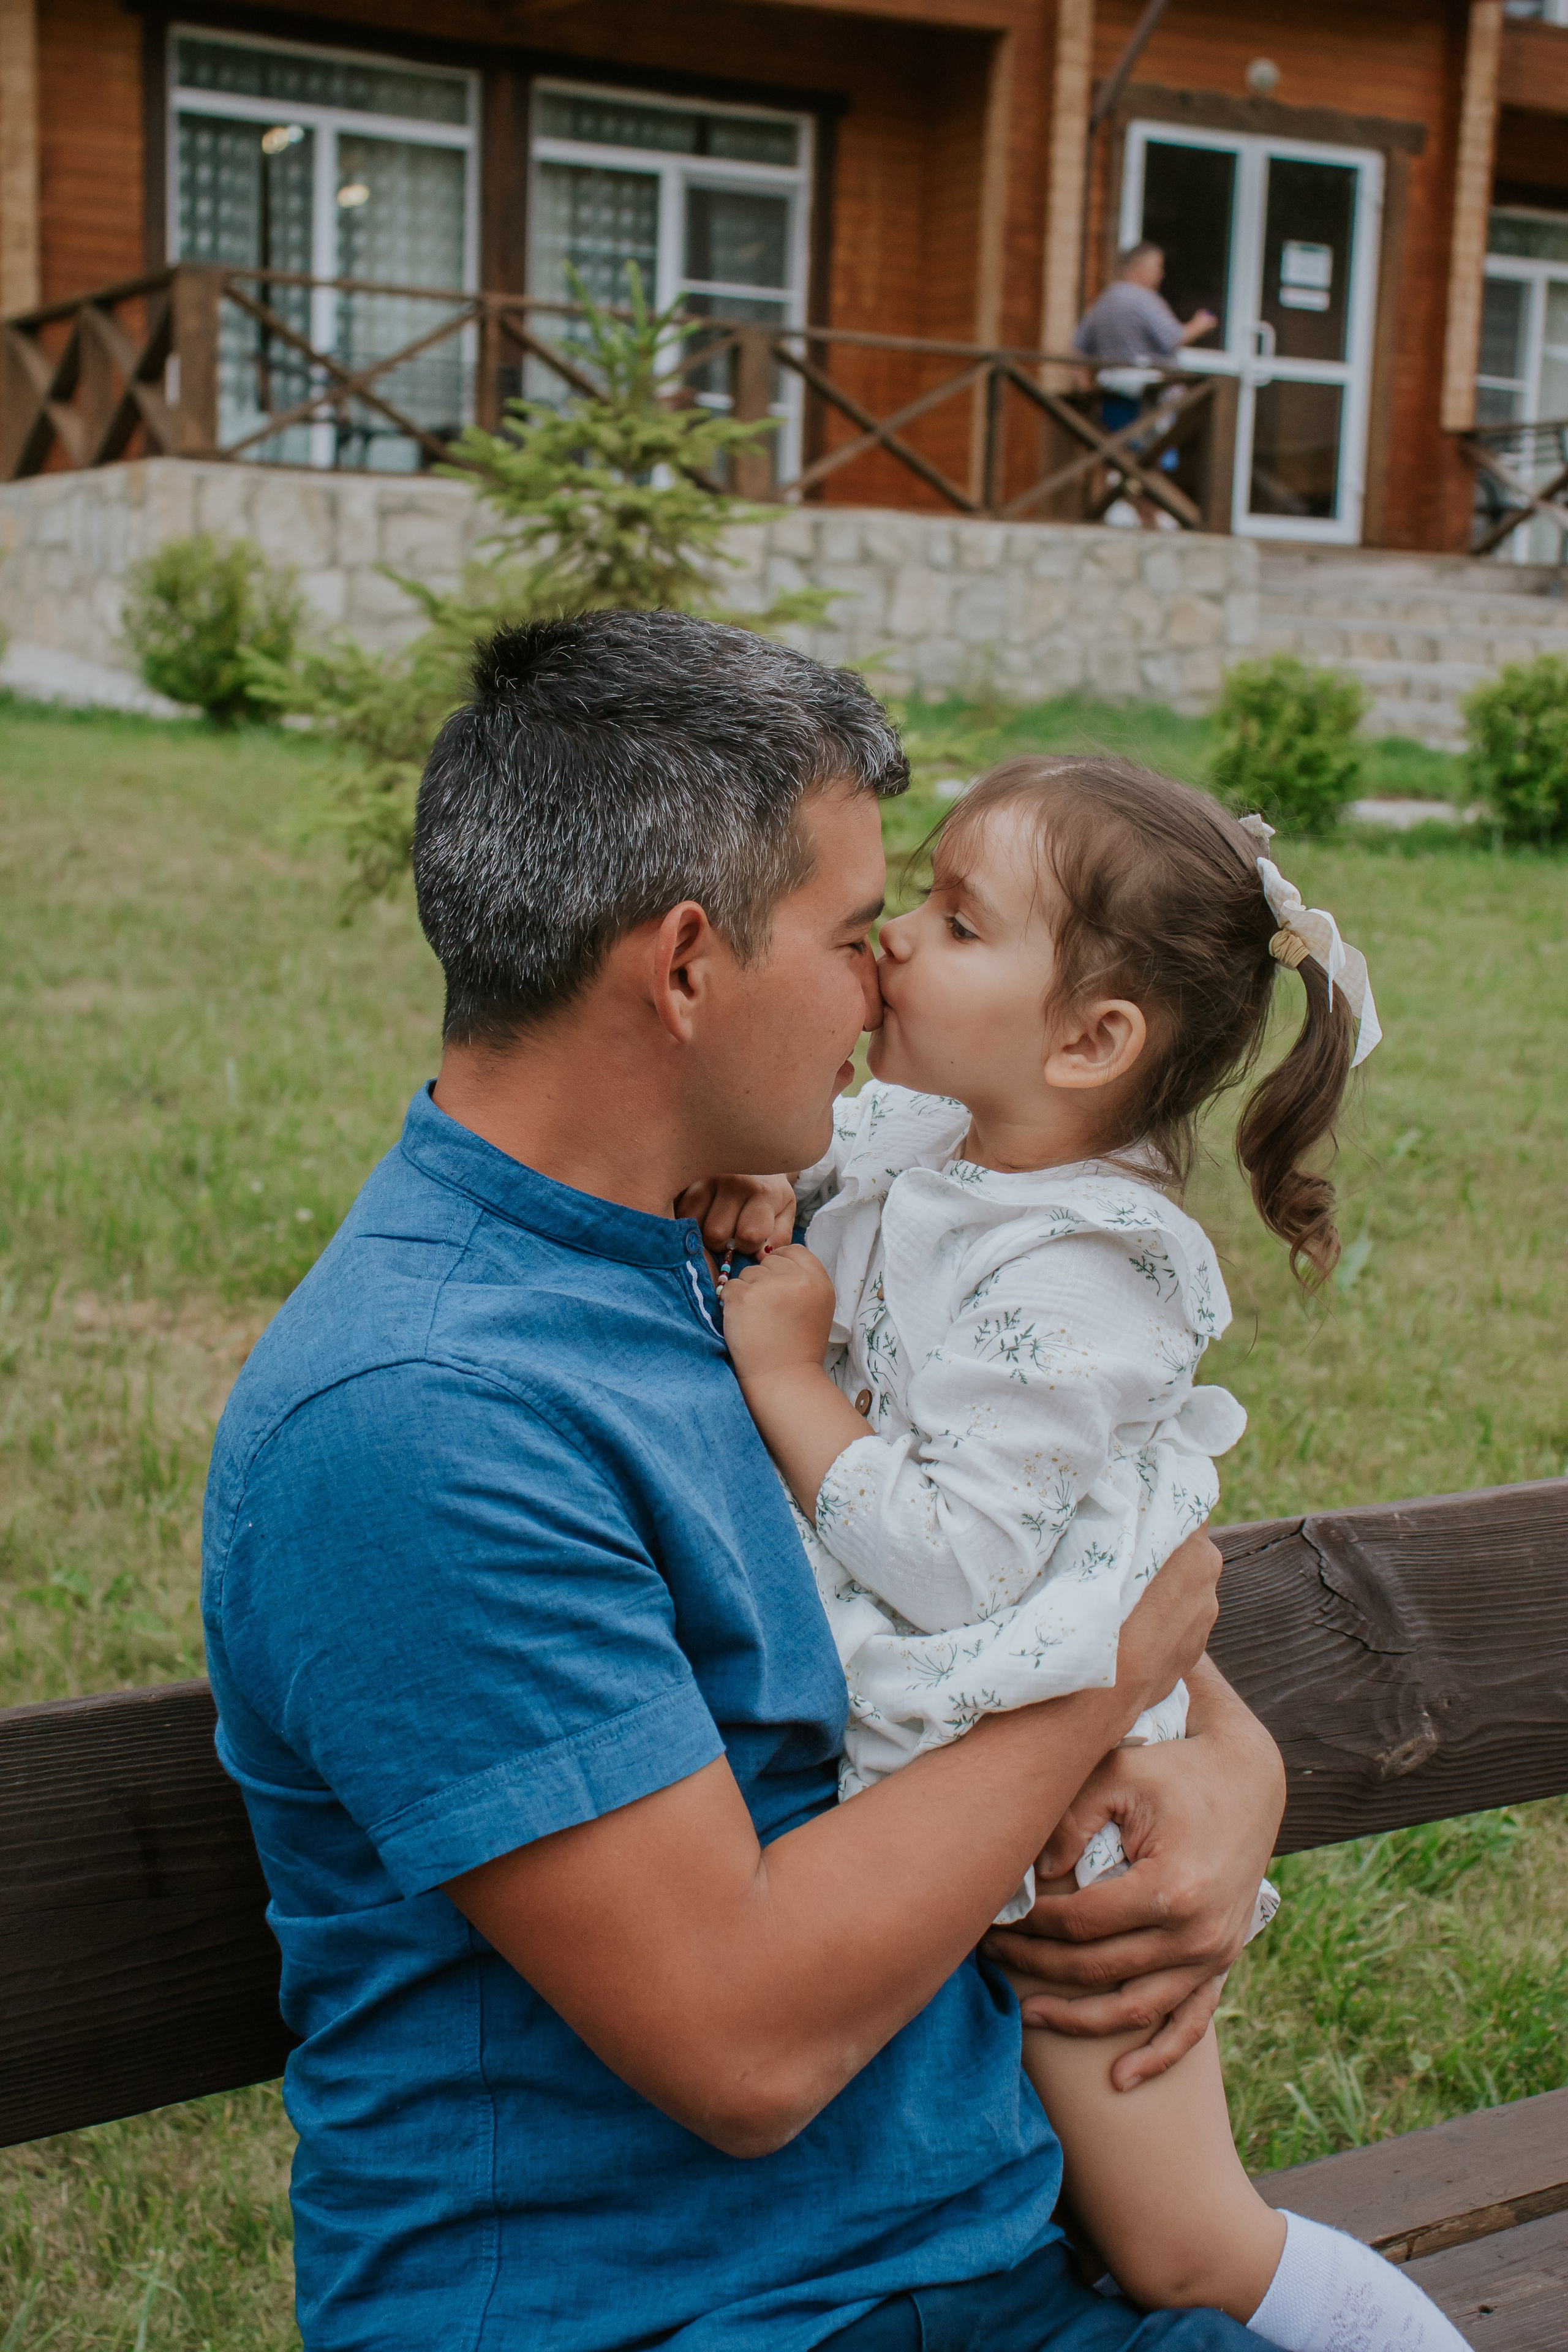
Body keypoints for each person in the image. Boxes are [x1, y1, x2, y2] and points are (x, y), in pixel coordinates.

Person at [203, 611, 1287, 2351]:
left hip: (979, 2273)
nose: (884, 981)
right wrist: (1104, 1695)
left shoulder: (731, 1245)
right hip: (682, 2317)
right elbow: (742, 2045)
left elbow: (1052, 1557)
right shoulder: (421, 1419)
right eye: (857, 934)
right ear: (688, 969)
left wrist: (1232, 1759)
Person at [714, 757, 1467, 2352]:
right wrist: (769, 1168)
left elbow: (954, 1561)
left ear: (1090, 1041)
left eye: (956, 921)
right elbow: (826, 1157)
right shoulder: (945, 1133)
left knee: (1187, 2248)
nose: (895, 936)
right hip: (957, 1781)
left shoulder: (1086, 1276)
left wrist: (784, 1376)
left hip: (1072, 1846)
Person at [1074, 244, 1219, 526]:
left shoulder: (1104, 301)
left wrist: (1084, 390)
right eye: (1157, 267)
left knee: (1120, 460)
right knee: (1150, 462)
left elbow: (1078, 347)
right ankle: (1157, 518)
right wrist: (1200, 325)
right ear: (1138, 269)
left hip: (1113, 395)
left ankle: (1138, 516)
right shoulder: (1143, 300)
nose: (1161, 275)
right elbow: (1173, 337)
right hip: (1148, 398)